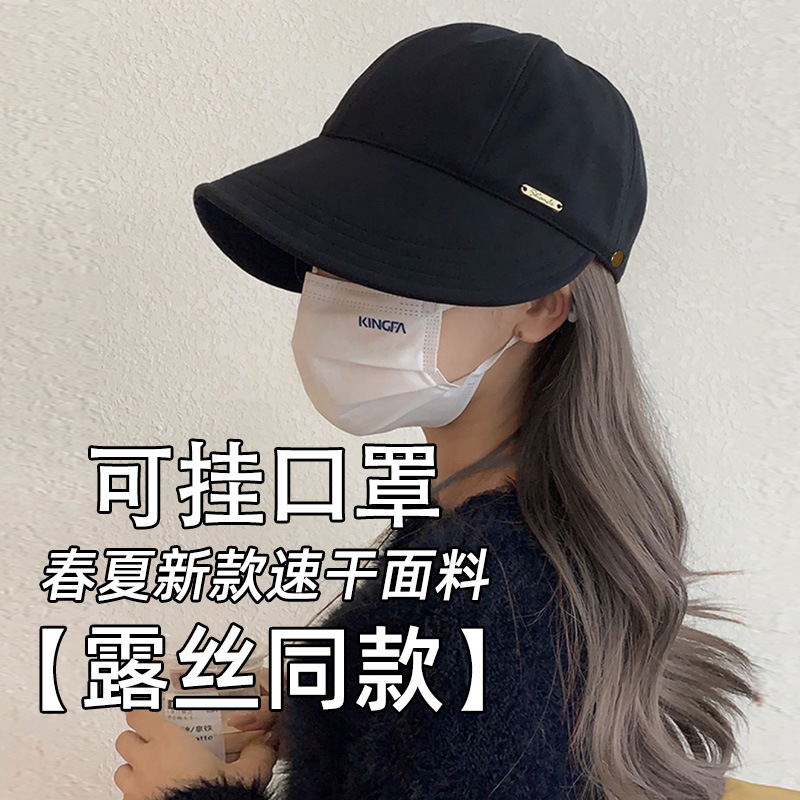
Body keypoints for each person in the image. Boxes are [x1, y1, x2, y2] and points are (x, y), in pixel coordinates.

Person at [113, 23, 762, 800]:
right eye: (337, 242)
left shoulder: (486, 606)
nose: (346, 287)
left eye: (406, 254)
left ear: (543, 307)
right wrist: (321, 711)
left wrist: (188, 794)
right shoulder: (494, 552)